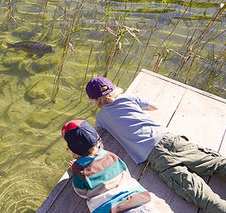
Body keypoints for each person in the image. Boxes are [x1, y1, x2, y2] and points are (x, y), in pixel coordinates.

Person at [85, 76, 226, 213]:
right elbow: (154, 107)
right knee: (216, 162)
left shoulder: (101, 119)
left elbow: (99, 135)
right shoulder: (127, 97)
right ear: (113, 88)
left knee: (200, 195)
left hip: (156, 157)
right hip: (169, 139)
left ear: (94, 101)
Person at [61, 119, 172, 213]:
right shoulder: (111, 156)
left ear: (71, 149)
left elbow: (82, 193)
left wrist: (75, 170)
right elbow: (126, 173)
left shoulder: (80, 170)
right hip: (140, 199)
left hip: (112, 209)